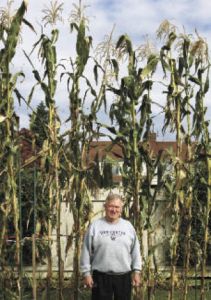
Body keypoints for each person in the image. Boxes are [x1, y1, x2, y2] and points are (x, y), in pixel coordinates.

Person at [80, 193, 142, 300]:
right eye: (111, 206)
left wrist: (136, 271)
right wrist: (86, 273)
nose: (114, 210)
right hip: (101, 276)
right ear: (105, 207)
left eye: (117, 207)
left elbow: (135, 251)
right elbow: (86, 250)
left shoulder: (128, 227)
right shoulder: (95, 226)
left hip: (123, 276)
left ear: (121, 209)